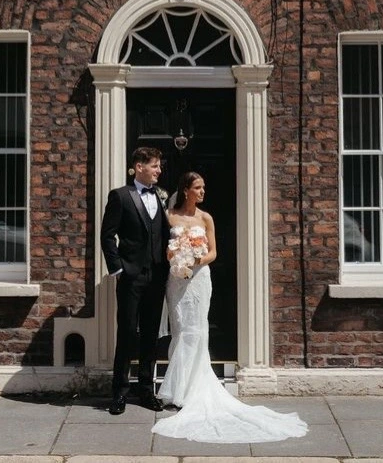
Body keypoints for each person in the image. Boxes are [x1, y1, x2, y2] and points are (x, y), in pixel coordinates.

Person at [152, 172, 307, 444]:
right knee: (180, 330)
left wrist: (196, 259)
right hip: (177, 280)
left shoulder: (206, 218)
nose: (202, 192)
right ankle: (178, 389)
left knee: (198, 331)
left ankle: (191, 390)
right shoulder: (169, 217)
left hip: (199, 279)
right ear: (186, 190)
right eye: (198, 187)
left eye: (203, 187)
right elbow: (163, 248)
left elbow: (214, 252)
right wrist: (176, 258)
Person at [100, 146, 170, 416]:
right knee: (128, 333)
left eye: (159, 166)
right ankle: (119, 392)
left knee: (151, 334)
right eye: (155, 165)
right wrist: (117, 269)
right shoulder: (120, 196)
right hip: (131, 276)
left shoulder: (160, 196)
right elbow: (108, 235)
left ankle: (146, 390)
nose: (159, 170)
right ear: (139, 166)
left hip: (157, 276)